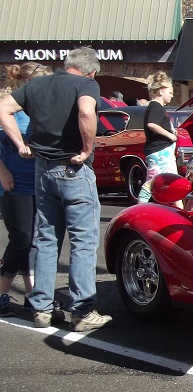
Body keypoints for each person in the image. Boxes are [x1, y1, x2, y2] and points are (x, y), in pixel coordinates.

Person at [0, 47, 112, 331]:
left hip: (42, 169)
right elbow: (87, 111)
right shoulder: (87, 84)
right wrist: (87, 148)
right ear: (92, 70)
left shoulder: (36, 83)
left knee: (47, 238)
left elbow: (3, 109)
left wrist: (20, 145)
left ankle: (41, 308)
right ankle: (83, 311)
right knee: (83, 242)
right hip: (73, 167)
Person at [0, 62, 52, 317]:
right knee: (21, 237)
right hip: (15, 182)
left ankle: (32, 293)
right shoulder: (10, 109)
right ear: (30, 83)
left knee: (34, 240)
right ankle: (1, 293)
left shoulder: (39, 109)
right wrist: (2, 171)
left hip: (39, 181)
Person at [137, 71, 179, 205]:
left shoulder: (157, 107)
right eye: (170, 93)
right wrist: (170, 135)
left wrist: (171, 130)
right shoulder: (156, 106)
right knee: (152, 183)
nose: (172, 96)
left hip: (164, 152)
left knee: (173, 181)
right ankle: (140, 209)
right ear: (161, 91)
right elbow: (152, 124)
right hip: (159, 152)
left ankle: (182, 212)